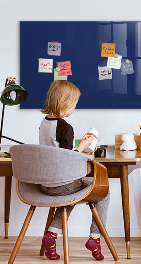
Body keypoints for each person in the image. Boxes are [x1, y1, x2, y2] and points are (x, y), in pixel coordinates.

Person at [39, 80, 109, 261]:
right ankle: (95, 238)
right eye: (74, 103)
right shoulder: (65, 127)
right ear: (65, 103)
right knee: (104, 192)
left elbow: (56, 152)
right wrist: (84, 146)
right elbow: (67, 159)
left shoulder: (44, 123)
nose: (74, 107)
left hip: (45, 184)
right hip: (62, 184)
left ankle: (51, 236)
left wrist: (78, 147)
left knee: (69, 195)